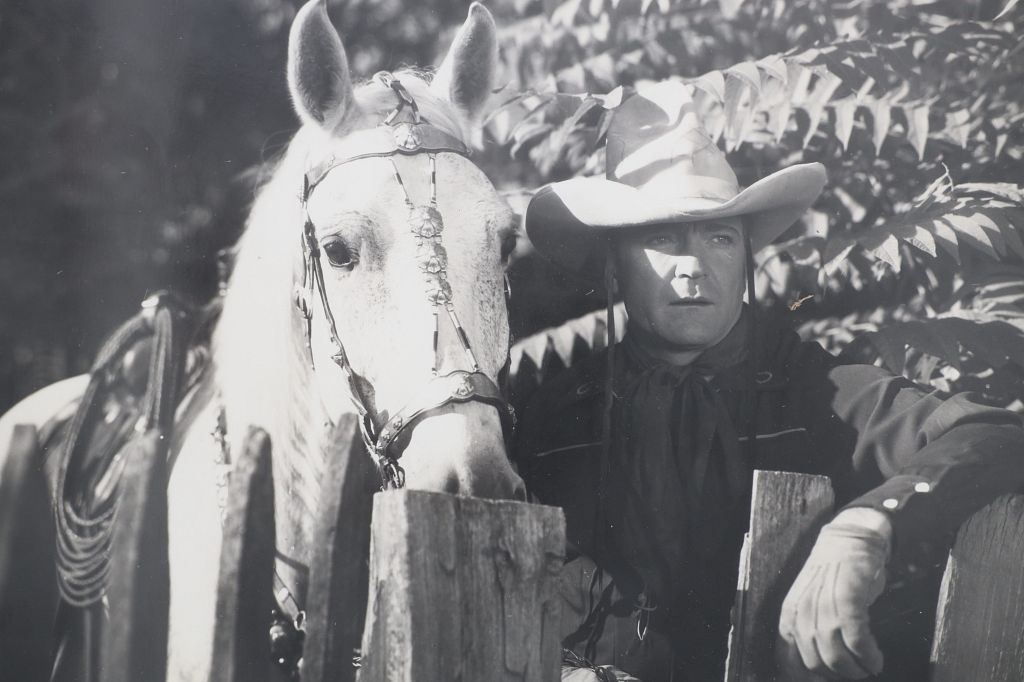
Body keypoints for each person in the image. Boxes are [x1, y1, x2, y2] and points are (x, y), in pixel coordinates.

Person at [513, 81, 1024, 681]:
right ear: (615, 268)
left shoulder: (815, 387)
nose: (693, 267)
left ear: (746, 260)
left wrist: (866, 525)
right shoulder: (553, 416)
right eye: (660, 238)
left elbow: (993, 434)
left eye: (720, 238)